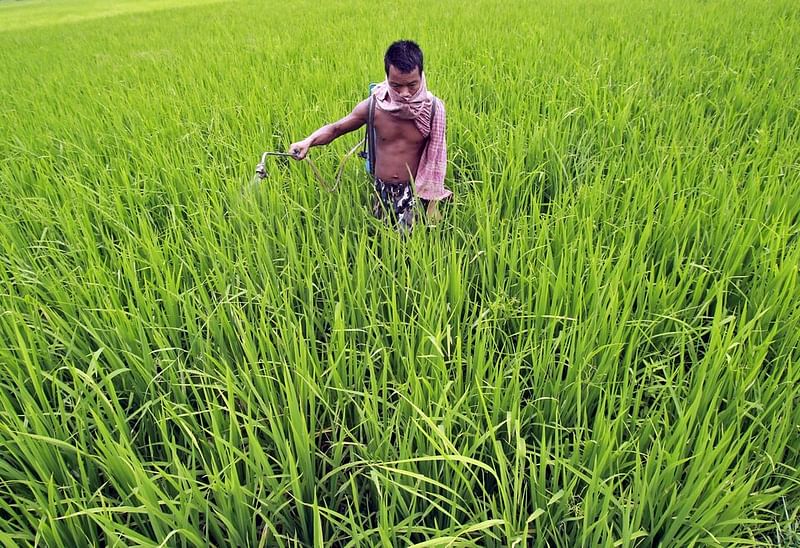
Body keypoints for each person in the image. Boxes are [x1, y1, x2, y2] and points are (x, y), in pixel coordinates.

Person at [289, 40, 450, 234]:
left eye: (412, 85)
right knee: (381, 242)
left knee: (410, 251)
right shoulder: (375, 106)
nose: (405, 93)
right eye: (396, 86)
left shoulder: (433, 110)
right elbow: (336, 129)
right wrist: (308, 141)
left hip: (415, 193)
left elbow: (436, 162)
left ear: (422, 76)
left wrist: (433, 204)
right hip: (380, 191)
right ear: (387, 77)